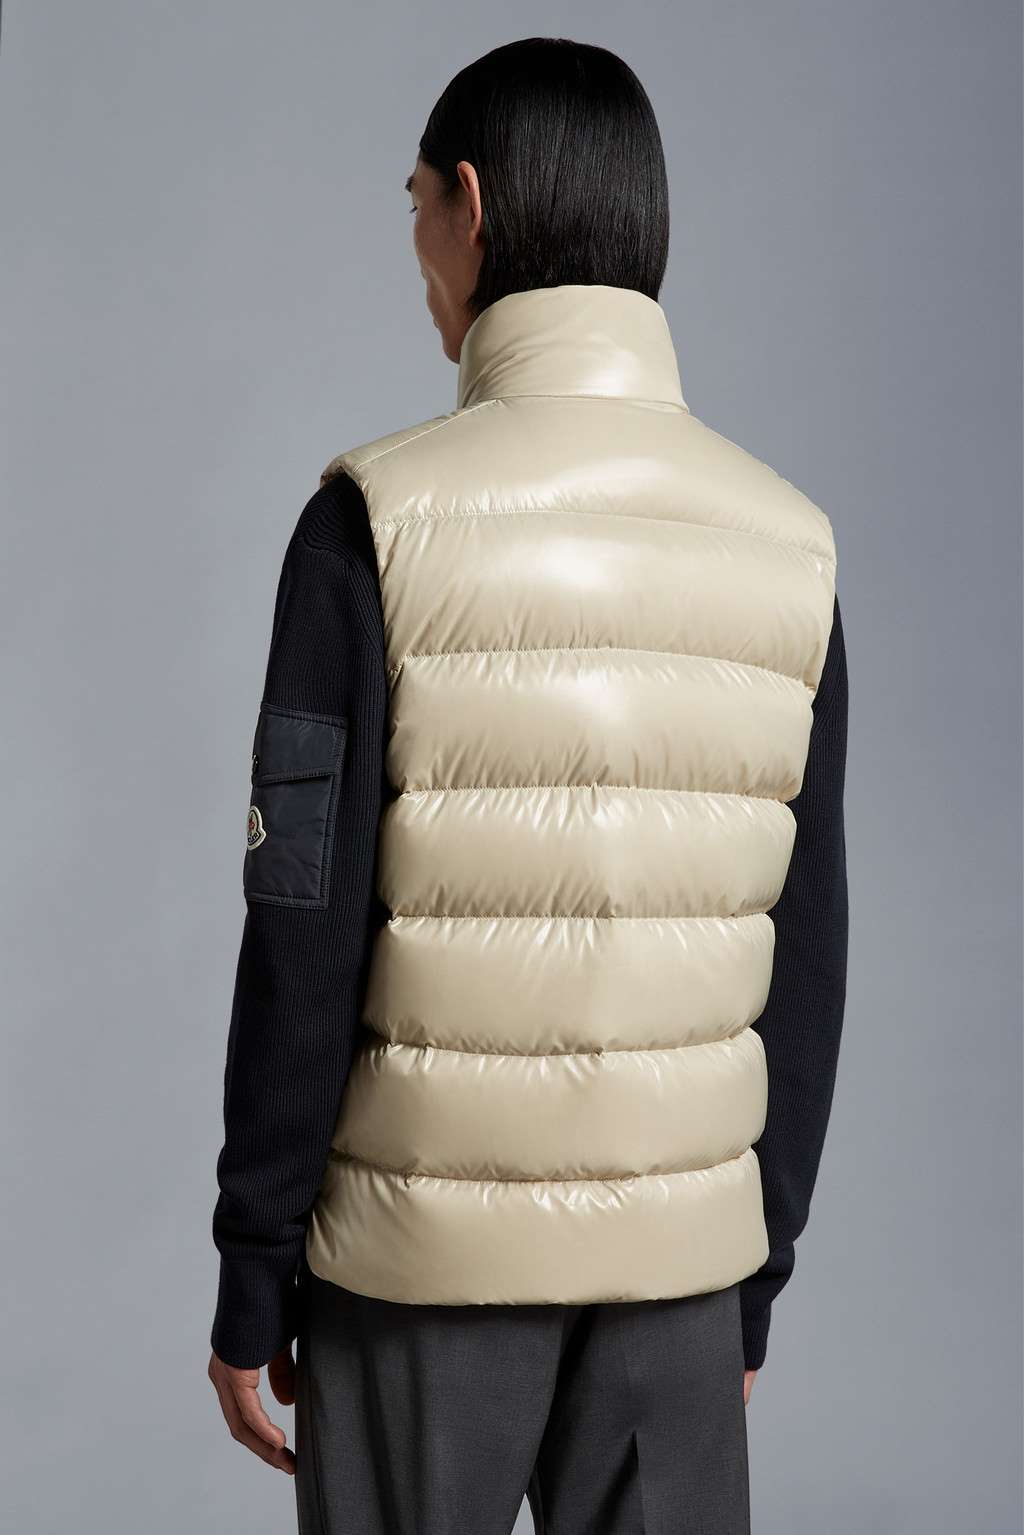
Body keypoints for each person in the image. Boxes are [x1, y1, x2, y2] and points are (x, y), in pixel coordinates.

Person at [207, 36, 849, 1535]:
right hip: (682, 1284)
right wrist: (754, 1270)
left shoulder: (371, 525)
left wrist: (253, 1265)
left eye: (415, 205)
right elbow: (807, 950)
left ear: (473, 206)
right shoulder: (791, 548)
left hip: (416, 1278)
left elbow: (302, 927)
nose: (416, 252)